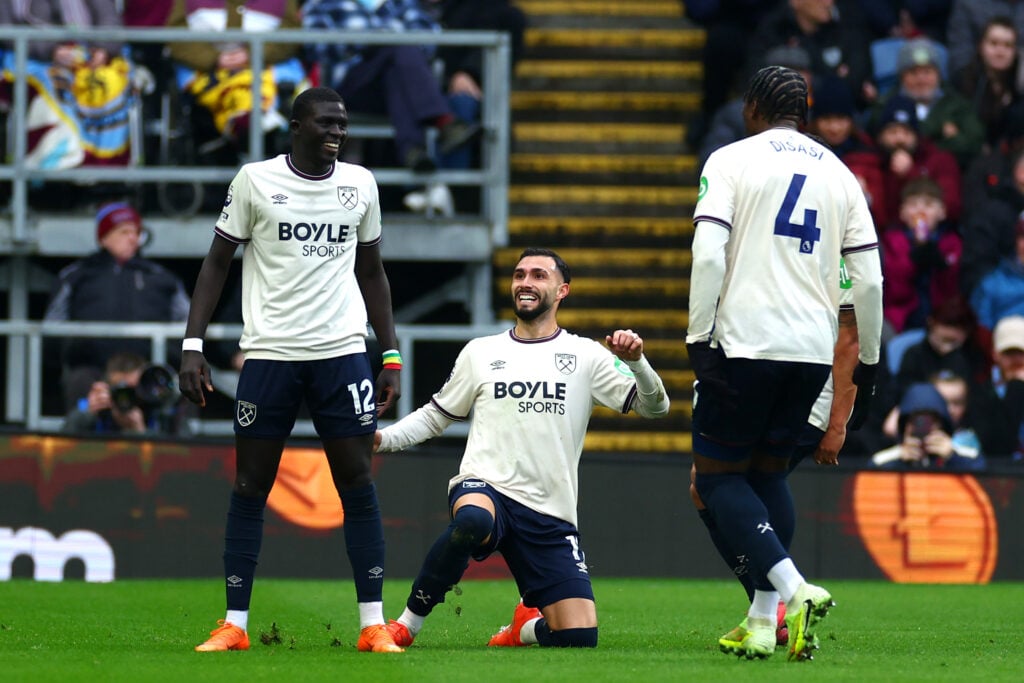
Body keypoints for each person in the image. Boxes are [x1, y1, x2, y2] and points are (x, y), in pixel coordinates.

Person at [179, 86, 405, 654]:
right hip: (271, 354)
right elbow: (217, 262)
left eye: (344, 123)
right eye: (327, 122)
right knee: (251, 483)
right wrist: (192, 344)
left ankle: (372, 625)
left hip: (342, 353)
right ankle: (234, 624)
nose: (338, 132)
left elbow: (372, 273)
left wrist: (391, 352)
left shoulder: (361, 185)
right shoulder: (254, 180)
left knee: (356, 479)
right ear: (296, 127)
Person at [374, 247, 670, 649]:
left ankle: (522, 630)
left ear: (562, 290)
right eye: (519, 275)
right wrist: (382, 439)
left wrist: (638, 363)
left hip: (549, 510)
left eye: (538, 275)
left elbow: (657, 408)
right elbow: (435, 415)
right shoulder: (482, 352)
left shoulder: (586, 356)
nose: (525, 283)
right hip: (486, 486)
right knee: (473, 522)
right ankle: (407, 624)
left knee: (579, 636)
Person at [686, 65, 884, 661]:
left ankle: (794, 591)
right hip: (810, 356)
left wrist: (699, 337)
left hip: (746, 344)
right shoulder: (843, 175)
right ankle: (762, 620)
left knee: (718, 479)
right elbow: (869, 281)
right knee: (767, 476)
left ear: (752, 108)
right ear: (807, 110)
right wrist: (869, 362)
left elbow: (708, 252)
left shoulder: (730, 159)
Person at [695, 269, 860, 656]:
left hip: (794, 393)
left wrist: (838, 421)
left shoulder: (828, 246)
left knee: (732, 482)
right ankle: (766, 615)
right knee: (728, 485)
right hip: (776, 378)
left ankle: (783, 601)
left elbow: (849, 337)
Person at [302, 0, 481, 173]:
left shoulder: (401, 2)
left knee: (395, 64)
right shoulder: (322, 3)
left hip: (393, 86)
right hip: (350, 89)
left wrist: (383, 40)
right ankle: (442, 121)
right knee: (397, 46)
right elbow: (316, 46)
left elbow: (430, 38)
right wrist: (376, 40)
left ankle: (412, 152)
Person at [44, 202, 190, 412]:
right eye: (124, 232)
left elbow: (188, 323)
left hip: (149, 371)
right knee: (79, 382)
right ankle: (80, 438)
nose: (133, 238)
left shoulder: (162, 277)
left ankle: (180, 442)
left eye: (136, 232)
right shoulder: (76, 276)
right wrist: (77, 349)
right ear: (103, 237)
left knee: (182, 384)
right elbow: (53, 327)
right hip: (95, 371)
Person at [165, 0, 307, 161]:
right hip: (207, 72)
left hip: (268, 67)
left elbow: (291, 31)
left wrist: (254, 52)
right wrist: (215, 58)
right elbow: (176, 35)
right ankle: (248, 124)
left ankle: (251, 124)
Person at [869, 36, 985, 169]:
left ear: (938, 75)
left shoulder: (958, 105)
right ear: (902, 76)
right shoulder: (885, 105)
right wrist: (941, 132)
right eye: (913, 72)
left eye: (927, 72)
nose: (921, 79)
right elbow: (877, 140)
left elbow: (974, 144)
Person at [880, 177, 962, 336]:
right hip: (902, 319)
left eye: (929, 205)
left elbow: (951, 288)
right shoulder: (892, 242)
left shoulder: (952, 243)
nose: (921, 211)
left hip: (941, 317)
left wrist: (936, 258)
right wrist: (915, 255)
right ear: (902, 213)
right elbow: (895, 291)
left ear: (942, 212)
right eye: (913, 205)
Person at [870, 93, 963, 225]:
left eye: (906, 132)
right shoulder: (873, 162)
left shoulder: (940, 159)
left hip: (935, 239)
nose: (900, 139)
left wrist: (910, 173)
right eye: (892, 132)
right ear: (881, 136)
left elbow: (951, 207)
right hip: (886, 240)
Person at [62, 351, 190, 436]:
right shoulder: (93, 408)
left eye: (135, 390)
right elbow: (62, 450)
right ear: (108, 389)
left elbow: (180, 460)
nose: (129, 397)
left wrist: (140, 433)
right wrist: (86, 415)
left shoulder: (162, 412)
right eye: (122, 390)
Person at [871, 379, 987, 470]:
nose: (924, 427)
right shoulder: (883, 460)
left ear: (942, 423)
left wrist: (952, 457)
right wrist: (899, 461)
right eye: (915, 420)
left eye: (931, 420)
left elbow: (984, 478)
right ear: (905, 425)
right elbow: (870, 483)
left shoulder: (968, 456)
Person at [970, 212, 1024, 331]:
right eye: (1023, 237)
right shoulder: (992, 283)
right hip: (1006, 345)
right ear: (1016, 240)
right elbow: (982, 327)